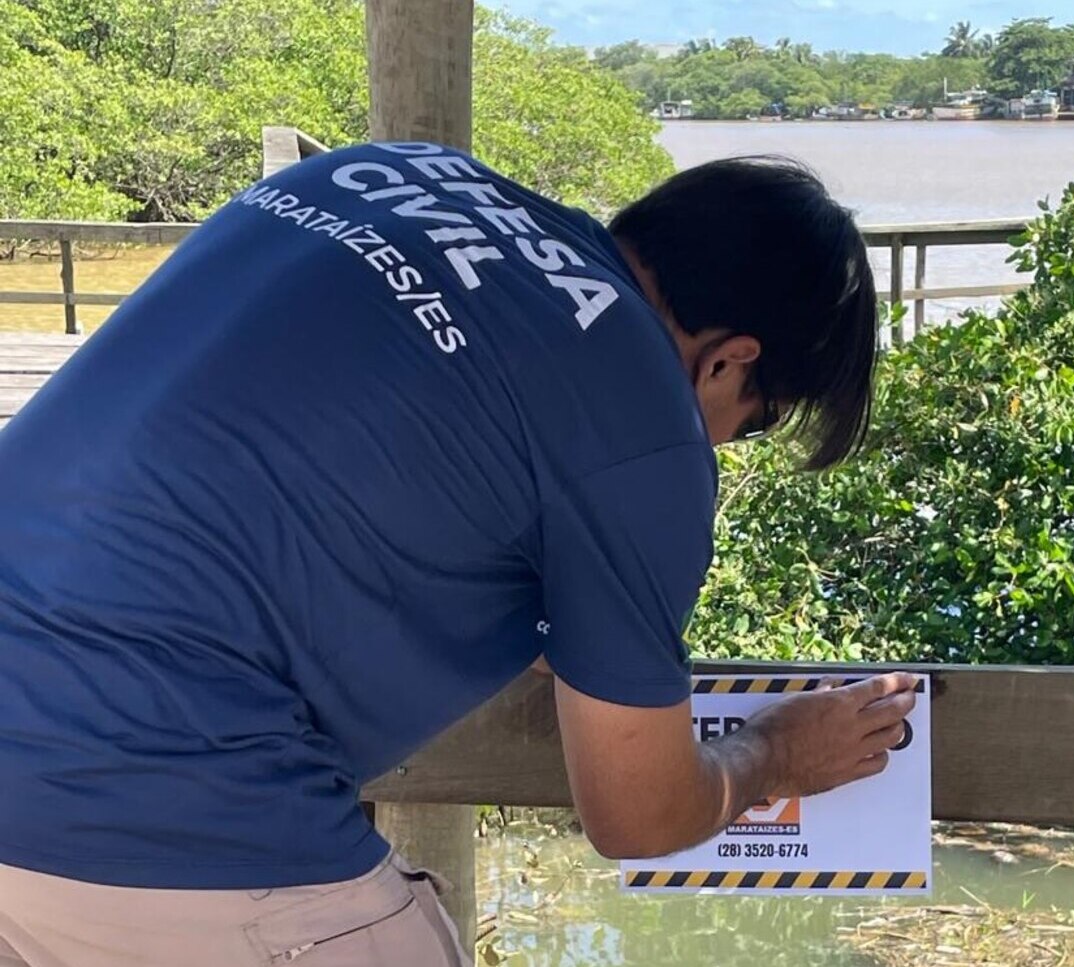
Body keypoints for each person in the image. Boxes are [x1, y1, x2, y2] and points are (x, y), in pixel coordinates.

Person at [0, 143, 918, 966]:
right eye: (753, 424)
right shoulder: (644, 420)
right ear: (730, 361)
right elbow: (638, 813)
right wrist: (776, 752)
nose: (718, 443)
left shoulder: (380, 171)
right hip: (156, 789)